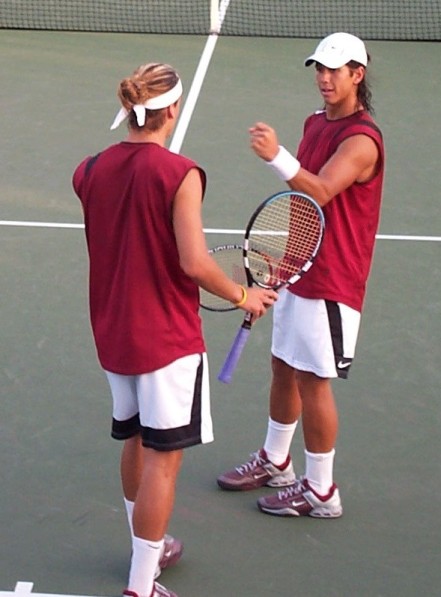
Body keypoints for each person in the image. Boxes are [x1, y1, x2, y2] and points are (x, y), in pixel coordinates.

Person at [72, 62, 277, 597]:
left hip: (113, 335)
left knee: (135, 440)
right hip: (165, 340)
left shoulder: (88, 170)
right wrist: (242, 294)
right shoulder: (179, 173)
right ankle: (142, 585)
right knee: (164, 461)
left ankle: (150, 548)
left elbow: (135, 241)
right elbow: (193, 263)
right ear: (173, 110)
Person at [217, 32, 385, 518]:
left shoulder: (362, 140)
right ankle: (275, 460)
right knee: (283, 368)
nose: (325, 78)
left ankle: (321, 491)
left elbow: (322, 190)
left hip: (334, 277)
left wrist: (276, 155)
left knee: (314, 381)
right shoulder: (316, 123)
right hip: (299, 269)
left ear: (358, 74)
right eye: (319, 68)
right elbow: (303, 207)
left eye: (335, 70)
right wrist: (282, 266)